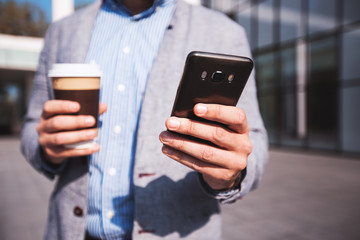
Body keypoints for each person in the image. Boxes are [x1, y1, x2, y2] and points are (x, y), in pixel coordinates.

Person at [21, 0, 268, 239]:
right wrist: (46, 148)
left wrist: (232, 172)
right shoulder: (62, 31)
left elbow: (252, 140)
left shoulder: (224, 31)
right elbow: (33, 125)